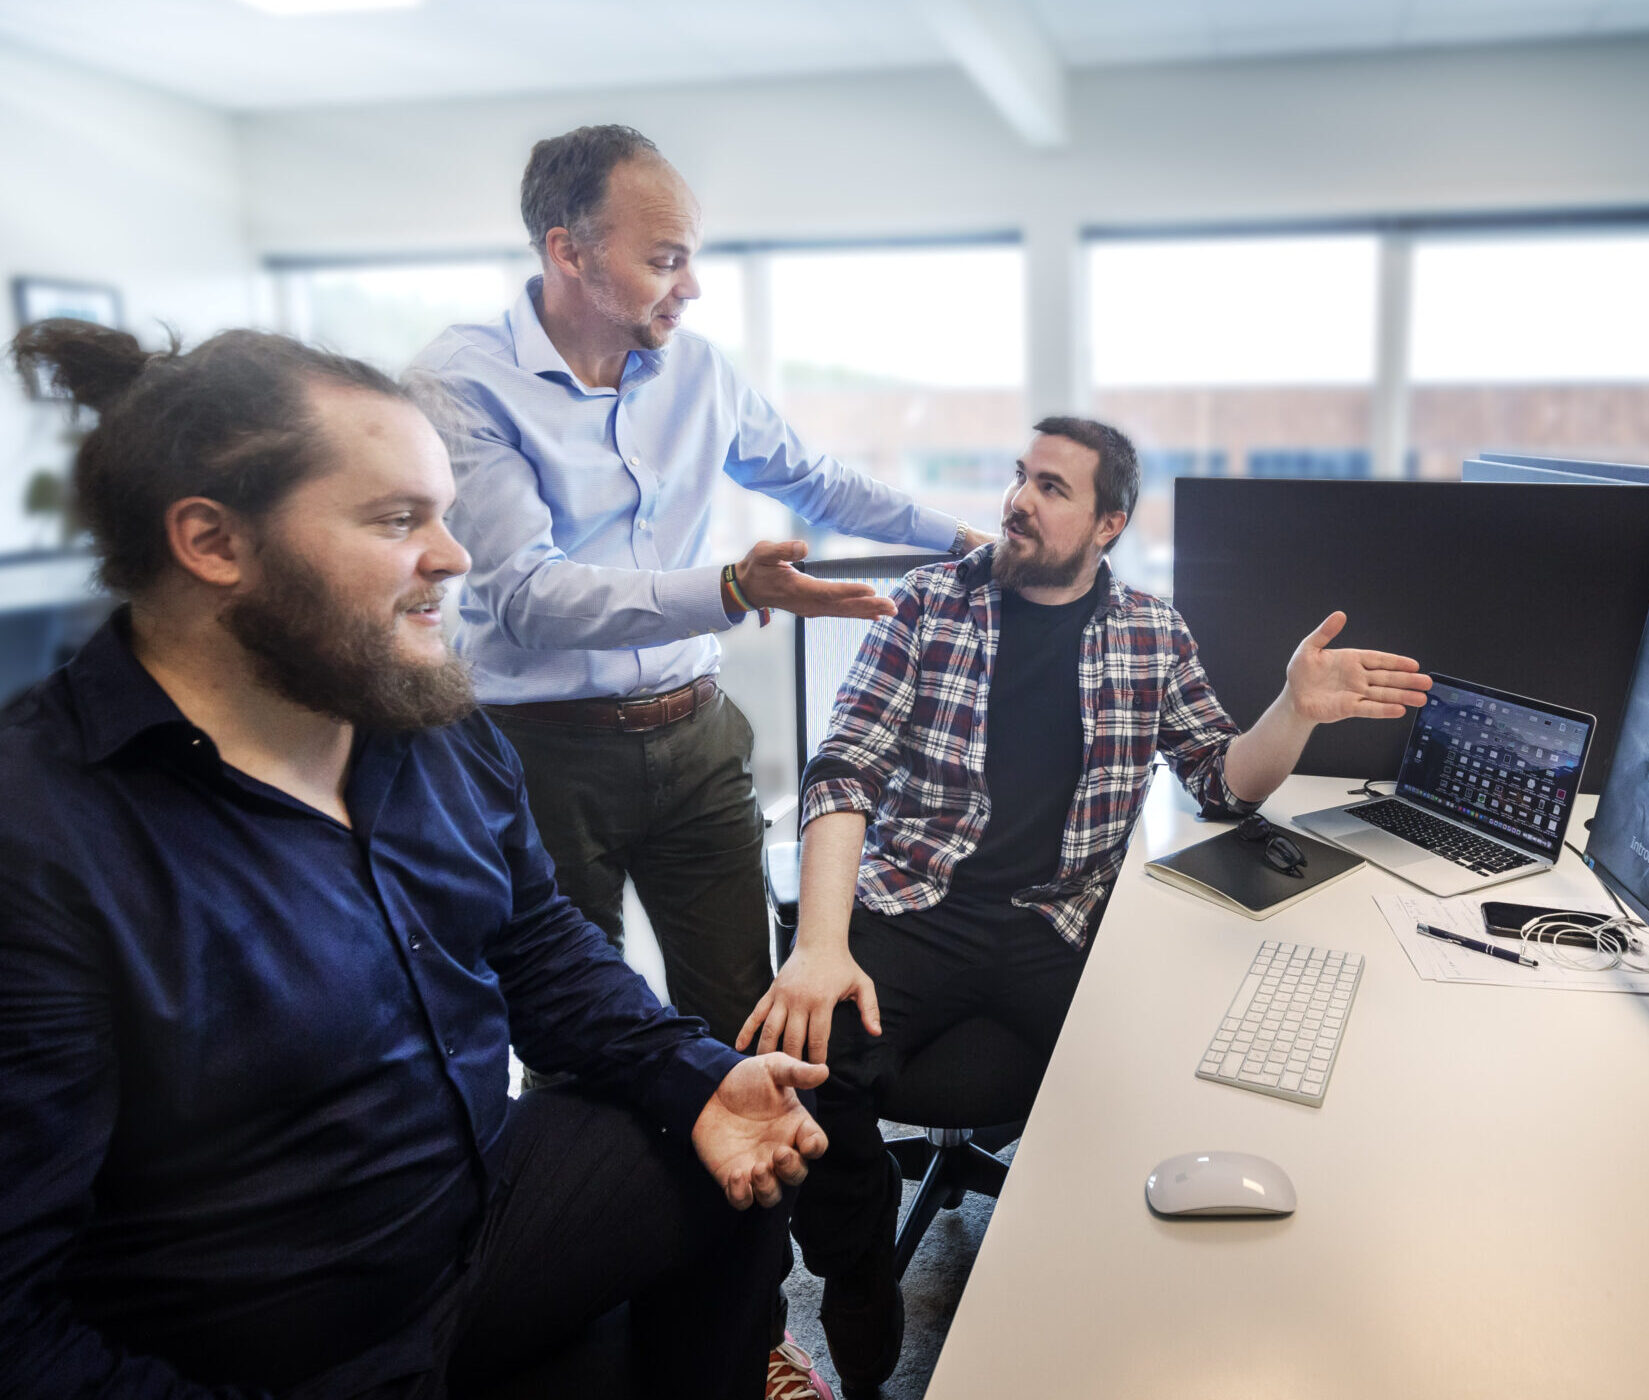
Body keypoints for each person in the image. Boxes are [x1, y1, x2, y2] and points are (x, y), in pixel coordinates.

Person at [0, 321, 835, 1400]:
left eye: (442, 512)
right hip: (258, 1342)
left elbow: (536, 948)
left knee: (740, 1139)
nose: (455, 555)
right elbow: (18, 1325)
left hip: (470, 1222)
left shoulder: (426, 721)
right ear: (212, 542)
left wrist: (698, 1074)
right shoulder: (38, 836)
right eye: (398, 520)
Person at [735, 415, 1433, 1391]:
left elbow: (1221, 781)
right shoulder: (929, 604)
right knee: (812, 1056)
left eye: (1051, 488)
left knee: (1151, 1080)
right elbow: (845, 765)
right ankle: (856, 1281)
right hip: (918, 901)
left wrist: (1294, 709)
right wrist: (818, 944)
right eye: (1020, 477)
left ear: (1108, 525)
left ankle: (1100, 1308)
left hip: (1055, 921)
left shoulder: (1150, 632)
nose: (1017, 501)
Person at [408, 124, 992, 1044]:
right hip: (540, 754)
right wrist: (730, 589)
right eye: (664, 260)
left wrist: (960, 541)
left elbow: (815, 481)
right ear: (569, 251)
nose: (692, 287)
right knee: (574, 1027)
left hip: (697, 739)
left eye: (692, 258)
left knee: (742, 1015)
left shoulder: (700, 369)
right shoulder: (460, 383)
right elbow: (529, 598)